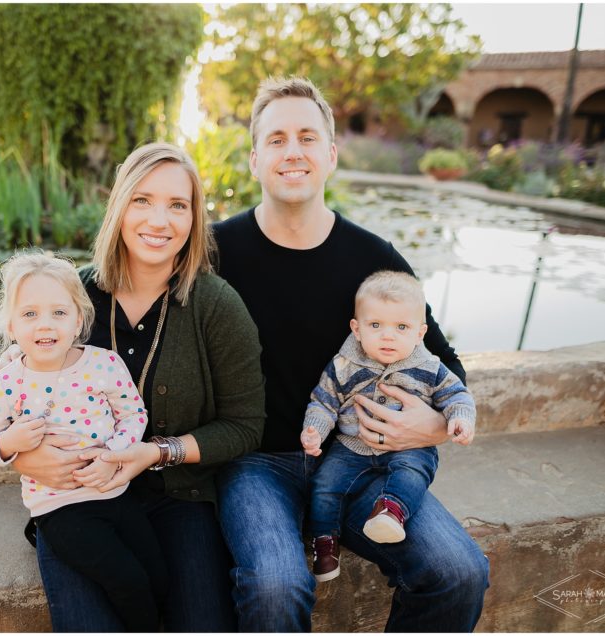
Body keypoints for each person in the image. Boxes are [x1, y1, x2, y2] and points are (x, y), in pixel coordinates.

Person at [211, 76, 490, 632]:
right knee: (275, 585)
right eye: (277, 139)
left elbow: (444, 361)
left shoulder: (373, 257)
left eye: (308, 138)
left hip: (359, 461)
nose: (293, 151)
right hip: (253, 464)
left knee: (458, 570)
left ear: (331, 155)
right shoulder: (215, 250)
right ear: (254, 159)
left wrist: (434, 425)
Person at [0, 142, 265, 631]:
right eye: (142, 200)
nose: (158, 220)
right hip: (77, 498)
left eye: (177, 205)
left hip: (178, 498)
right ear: (119, 206)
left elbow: (245, 426)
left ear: (194, 219)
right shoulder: (71, 297)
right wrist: (22, 455)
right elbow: (6, 382)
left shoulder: (215, 304)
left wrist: (155, 452)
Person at [0, 251, 168, 631]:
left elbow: (133, 414)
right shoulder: (7, 382)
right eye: (29, 314)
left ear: (79, 319)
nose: (45, 325)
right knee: (126, 579)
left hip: (115, 491)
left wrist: (114, 452)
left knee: (157, 574)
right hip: (60, 508)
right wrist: (10, 441)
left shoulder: (104, 364)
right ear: (11, 325)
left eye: (59, 313)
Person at [299, 270, 476, 583]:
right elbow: (324, 401)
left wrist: (460, 418)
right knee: (325, 483)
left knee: (412, 472)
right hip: (351, 445)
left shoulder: (429, 367)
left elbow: (457, 395)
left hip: (408, 446)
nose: (388, 336)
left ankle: (391, 511)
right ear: (357, 328)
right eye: (376, 325)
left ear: (420, 333)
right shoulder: (344, 365)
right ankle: (325, 542)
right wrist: (315, 430)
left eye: (401, 327)